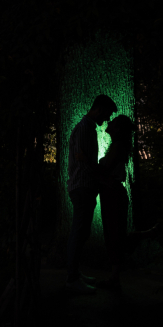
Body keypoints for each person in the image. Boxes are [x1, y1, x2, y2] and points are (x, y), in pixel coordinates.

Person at [83, 115, 160, 292]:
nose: (109, 123)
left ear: (118, 129)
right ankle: (115, 276)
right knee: (114, 235)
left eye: (114, 122)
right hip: (111, 193)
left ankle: (115, 277)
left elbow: (104, 168)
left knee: (115, 236)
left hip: (113, 195)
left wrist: (85, 160)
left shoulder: (118, 147)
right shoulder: (116, 146)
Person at [65, 94, 117, 295]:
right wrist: (101, 179)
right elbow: (83, 163)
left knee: (80, 232)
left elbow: (83, 160)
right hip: (82, 187)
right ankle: (72, 278)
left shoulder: (85, 128)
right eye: (107, 114)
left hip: (82, 186)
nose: (107, 119)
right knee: (79, 232)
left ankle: (75, 274)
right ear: (98, 109)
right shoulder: (85, 129)